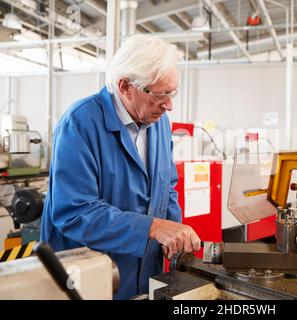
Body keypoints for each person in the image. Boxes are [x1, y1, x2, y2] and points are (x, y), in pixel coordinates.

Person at [40, 35, 201, 300]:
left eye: (172, 93)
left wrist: (175, 236)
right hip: (89, 279)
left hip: (144, 273)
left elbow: (167, 185)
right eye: (160, 95)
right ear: (125, 86)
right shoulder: (79, 123)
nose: (169, 104)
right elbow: (74, 211)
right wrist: (152, 227)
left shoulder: (159, 122)